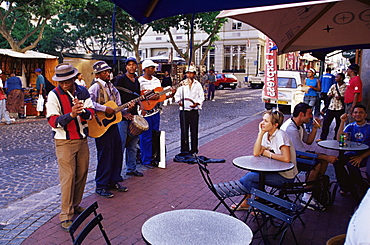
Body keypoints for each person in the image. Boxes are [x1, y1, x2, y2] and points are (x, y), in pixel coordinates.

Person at [46, 63, 95, 231]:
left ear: (74, 78)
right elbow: (53, 121)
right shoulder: (53, 95)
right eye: (62, 82)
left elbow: (92, 112)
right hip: (64, 141)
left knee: (82, 173)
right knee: (68, 177)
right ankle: (65, 214)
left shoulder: (82, 91)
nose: (65, 85)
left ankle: (74, 204)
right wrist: (71, 115)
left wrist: (83, 112)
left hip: (81, 139)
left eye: (68, 81)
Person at [233, 110, 298, 210]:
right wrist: (260, 133)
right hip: (274, 171)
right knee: (253, 173)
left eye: (266, 121)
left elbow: (286, 158)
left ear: (275, 125)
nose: (262, 123)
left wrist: (268, 154)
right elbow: (256, 153)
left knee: (248, 179)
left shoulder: (281, 135)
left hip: (285, 176)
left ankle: (261, 202)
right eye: (262, 120)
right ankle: (258, 202)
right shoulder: (266, 134)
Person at [281, 102, 337, 209]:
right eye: (310, 113)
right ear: (302, 114)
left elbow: (308, 141)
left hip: (295, 154)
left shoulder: (299, 125)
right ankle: (307, 196)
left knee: (323, 159)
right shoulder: (290, 129)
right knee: (317, 163)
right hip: (288, 160)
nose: (311, 116)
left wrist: (315, 128)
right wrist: (325, 157)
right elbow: (301, 155)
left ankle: (315, 189)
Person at [88, 61, 128, 198]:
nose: (107, 74)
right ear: (98, 74)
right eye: (104, 72)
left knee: (117, 151)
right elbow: (89, 103)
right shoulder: (95, 87)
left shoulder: (112, 87)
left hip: (112, 125)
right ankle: (101, 185)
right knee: (105, 155)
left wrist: (127, 107)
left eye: (108, 71)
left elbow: (118, 105)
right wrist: (105, 109)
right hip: (100, 125)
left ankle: (114, 180)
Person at [114, 57, 143, 177]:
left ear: (136, 66)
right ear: (126, 67)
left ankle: (131, 168)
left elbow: (138, 96)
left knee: (133, 144)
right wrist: (123, 112)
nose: (131, 67)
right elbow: (114, 98)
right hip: (123, 117)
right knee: (121, 145)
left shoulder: (136, 81)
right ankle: (117, 173)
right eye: (129, 65)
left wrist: (141, 105)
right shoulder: (120, 79)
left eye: (133, 64)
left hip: (134, 116)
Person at [335, 104, 370, 200]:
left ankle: (361, 189)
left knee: (352, 164)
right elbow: (339, 139)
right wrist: (342, 122)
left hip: (366, 154)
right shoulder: (350, 126)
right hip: (354, 153)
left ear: (365, 115)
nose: (358, 114)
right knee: (336, 161)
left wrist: (361, 157)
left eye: (360, 112)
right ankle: (345, 186)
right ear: (352, 114)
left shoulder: (369, 127)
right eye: (355, 112)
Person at [174, 66, 204, 155]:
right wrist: (179, 102)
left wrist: (197, 103)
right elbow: (177, 96)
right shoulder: (182, 84)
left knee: (194, 131)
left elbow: (201, 97)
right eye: (188, 73)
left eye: (191, 73)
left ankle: (194, 149)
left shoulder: (197, 85)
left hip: (193, 111)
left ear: (194, 74)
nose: (189, 75)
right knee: (184, 131)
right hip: (184, 111)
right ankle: (184, 150)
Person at [138, 60, 162, 167]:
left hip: (156, 111)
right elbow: (138, 96)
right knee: (145, 137)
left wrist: (170, 94)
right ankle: (146, 160)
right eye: (152, 68)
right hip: (145, 113)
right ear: (146, 69)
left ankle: (155, 157)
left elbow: (160, 95)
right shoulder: (139, 81)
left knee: (155, 135)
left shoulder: (157, 80)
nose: (154, 70)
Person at [318, 73, 347, 141]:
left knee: (338, 124)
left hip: (340, 108)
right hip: (331, 107)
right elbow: (328, 94)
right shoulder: (333, 86)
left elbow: (347, 98)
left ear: (341, 78)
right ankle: (323, 138)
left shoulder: (346, 87)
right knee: (326, 123)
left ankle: (336, 138)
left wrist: (341, 98)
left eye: (337, 77)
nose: (335, 78)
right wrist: (330, 96)